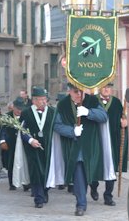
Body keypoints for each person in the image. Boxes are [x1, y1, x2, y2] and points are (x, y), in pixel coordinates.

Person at [46, 83, 108, 216]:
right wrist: (72, 131)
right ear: (70, 92)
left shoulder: (92, 100)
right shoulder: (63, 105)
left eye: (81, 91)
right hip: (73, 147)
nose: (79, 94)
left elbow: (103, 117)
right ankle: (81, 204)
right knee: (79, 171)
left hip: (91, 146)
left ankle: (93, 188)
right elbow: (56, 125)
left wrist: (89, 112)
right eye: (76, 92)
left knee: (90, 173)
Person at [89, 83, 128, 206]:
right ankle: (93, 187)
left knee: (111, 168)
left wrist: (124, 123)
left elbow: (123, 117)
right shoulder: (92, 100)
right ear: (100, 88)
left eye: (109, 87)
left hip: (112, 139)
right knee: (95, 164)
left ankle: (108, 196)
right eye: (104, 87)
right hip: (96, 139)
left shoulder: (116, 102)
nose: (106, 89)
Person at [20, 87, 55, 208]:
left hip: (49, 147)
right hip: (33, 148)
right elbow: (22, 130)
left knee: (47, 171)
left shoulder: (52, 112)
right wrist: (30, 140)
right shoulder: (26, 112)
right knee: (35, 172)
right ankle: (38, 198)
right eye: (40, 99)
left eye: (45, 99)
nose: (43, 102)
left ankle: (45, 191)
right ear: (34, 100)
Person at [0, 97, 25, 190]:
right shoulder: (7, 116)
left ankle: (26, 183)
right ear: (13, 107)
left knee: (24, 163)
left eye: (21, 109)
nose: (19, 111)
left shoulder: (26, 115)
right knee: (11, 163)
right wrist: (2, 141)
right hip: (11, 144)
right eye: (17, 108)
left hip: (23, 143)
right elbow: (2, 130)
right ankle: (12, 183)